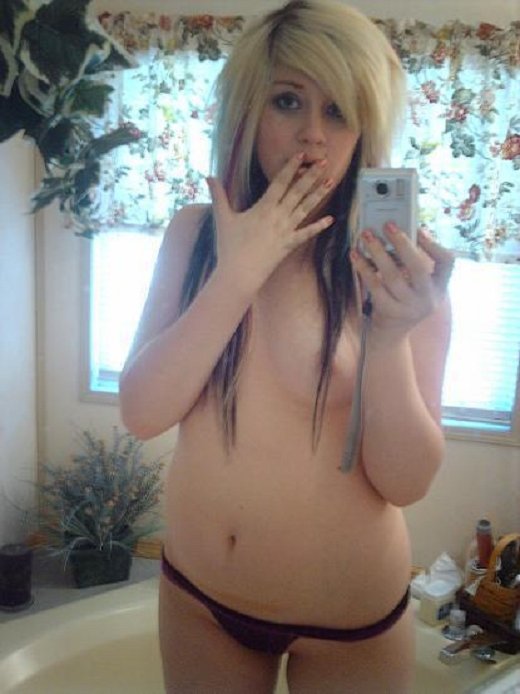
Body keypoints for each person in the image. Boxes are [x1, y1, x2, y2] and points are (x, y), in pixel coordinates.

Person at [119, 1, 454, 691]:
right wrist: (237, 274)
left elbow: (406, 483)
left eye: (339, 111)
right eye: (288, 101)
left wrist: (390, 336)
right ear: (248, 109)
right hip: (199, 601)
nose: (312, 135)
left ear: (365, 129)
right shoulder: (194, 235)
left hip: (349, 624)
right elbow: (143, 413)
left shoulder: (395, 270)